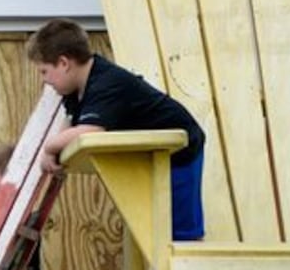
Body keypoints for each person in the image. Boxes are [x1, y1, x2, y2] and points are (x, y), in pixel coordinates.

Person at [29, 18, 205, 241]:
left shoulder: (106, 82)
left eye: (44, 71)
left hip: (181, 151)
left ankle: (186, 267)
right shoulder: (75, 90)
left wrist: (48, 146)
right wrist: (51, 151)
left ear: (64, 63)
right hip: (150, 155)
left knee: (180, 234)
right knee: (153, 233)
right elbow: (71, 123)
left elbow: (90, 131)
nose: (44, 81)